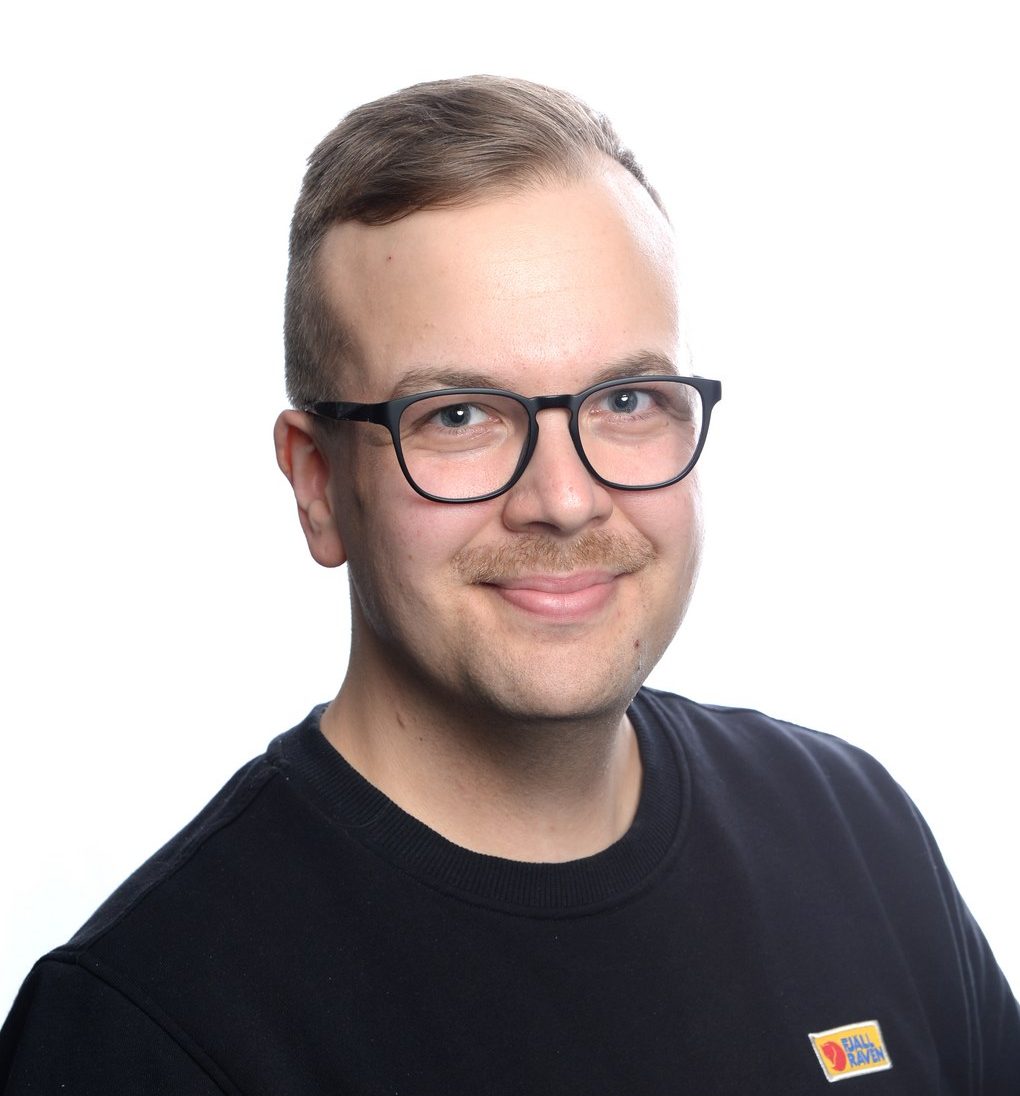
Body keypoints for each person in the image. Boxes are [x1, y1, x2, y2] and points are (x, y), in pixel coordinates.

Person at [1, 75, 1017, 1094]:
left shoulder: (852, 835)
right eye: (458, 416)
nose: (566, 500)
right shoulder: (142, 1027)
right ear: (319, 486)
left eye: (627, 399)